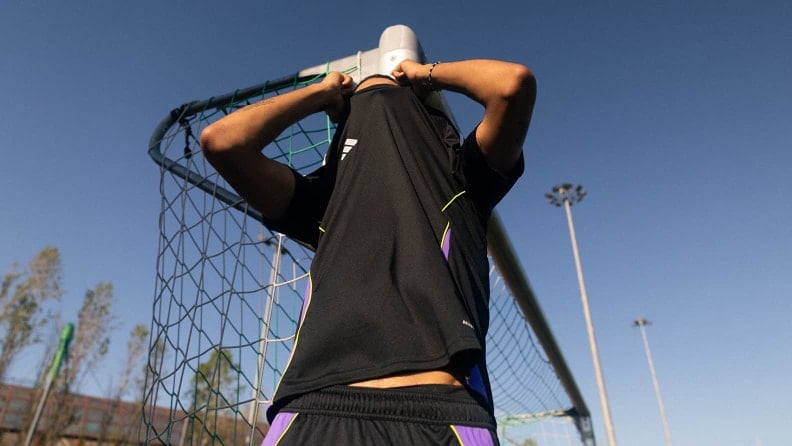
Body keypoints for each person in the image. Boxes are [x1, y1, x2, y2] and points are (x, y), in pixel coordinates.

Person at [200, 58, 536, 445]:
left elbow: (512, 84)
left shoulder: (461, 177)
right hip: (310, 407)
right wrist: (321, 91)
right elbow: (222, 142)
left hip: (438, 409)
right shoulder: (323, 202)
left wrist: (422, 74)